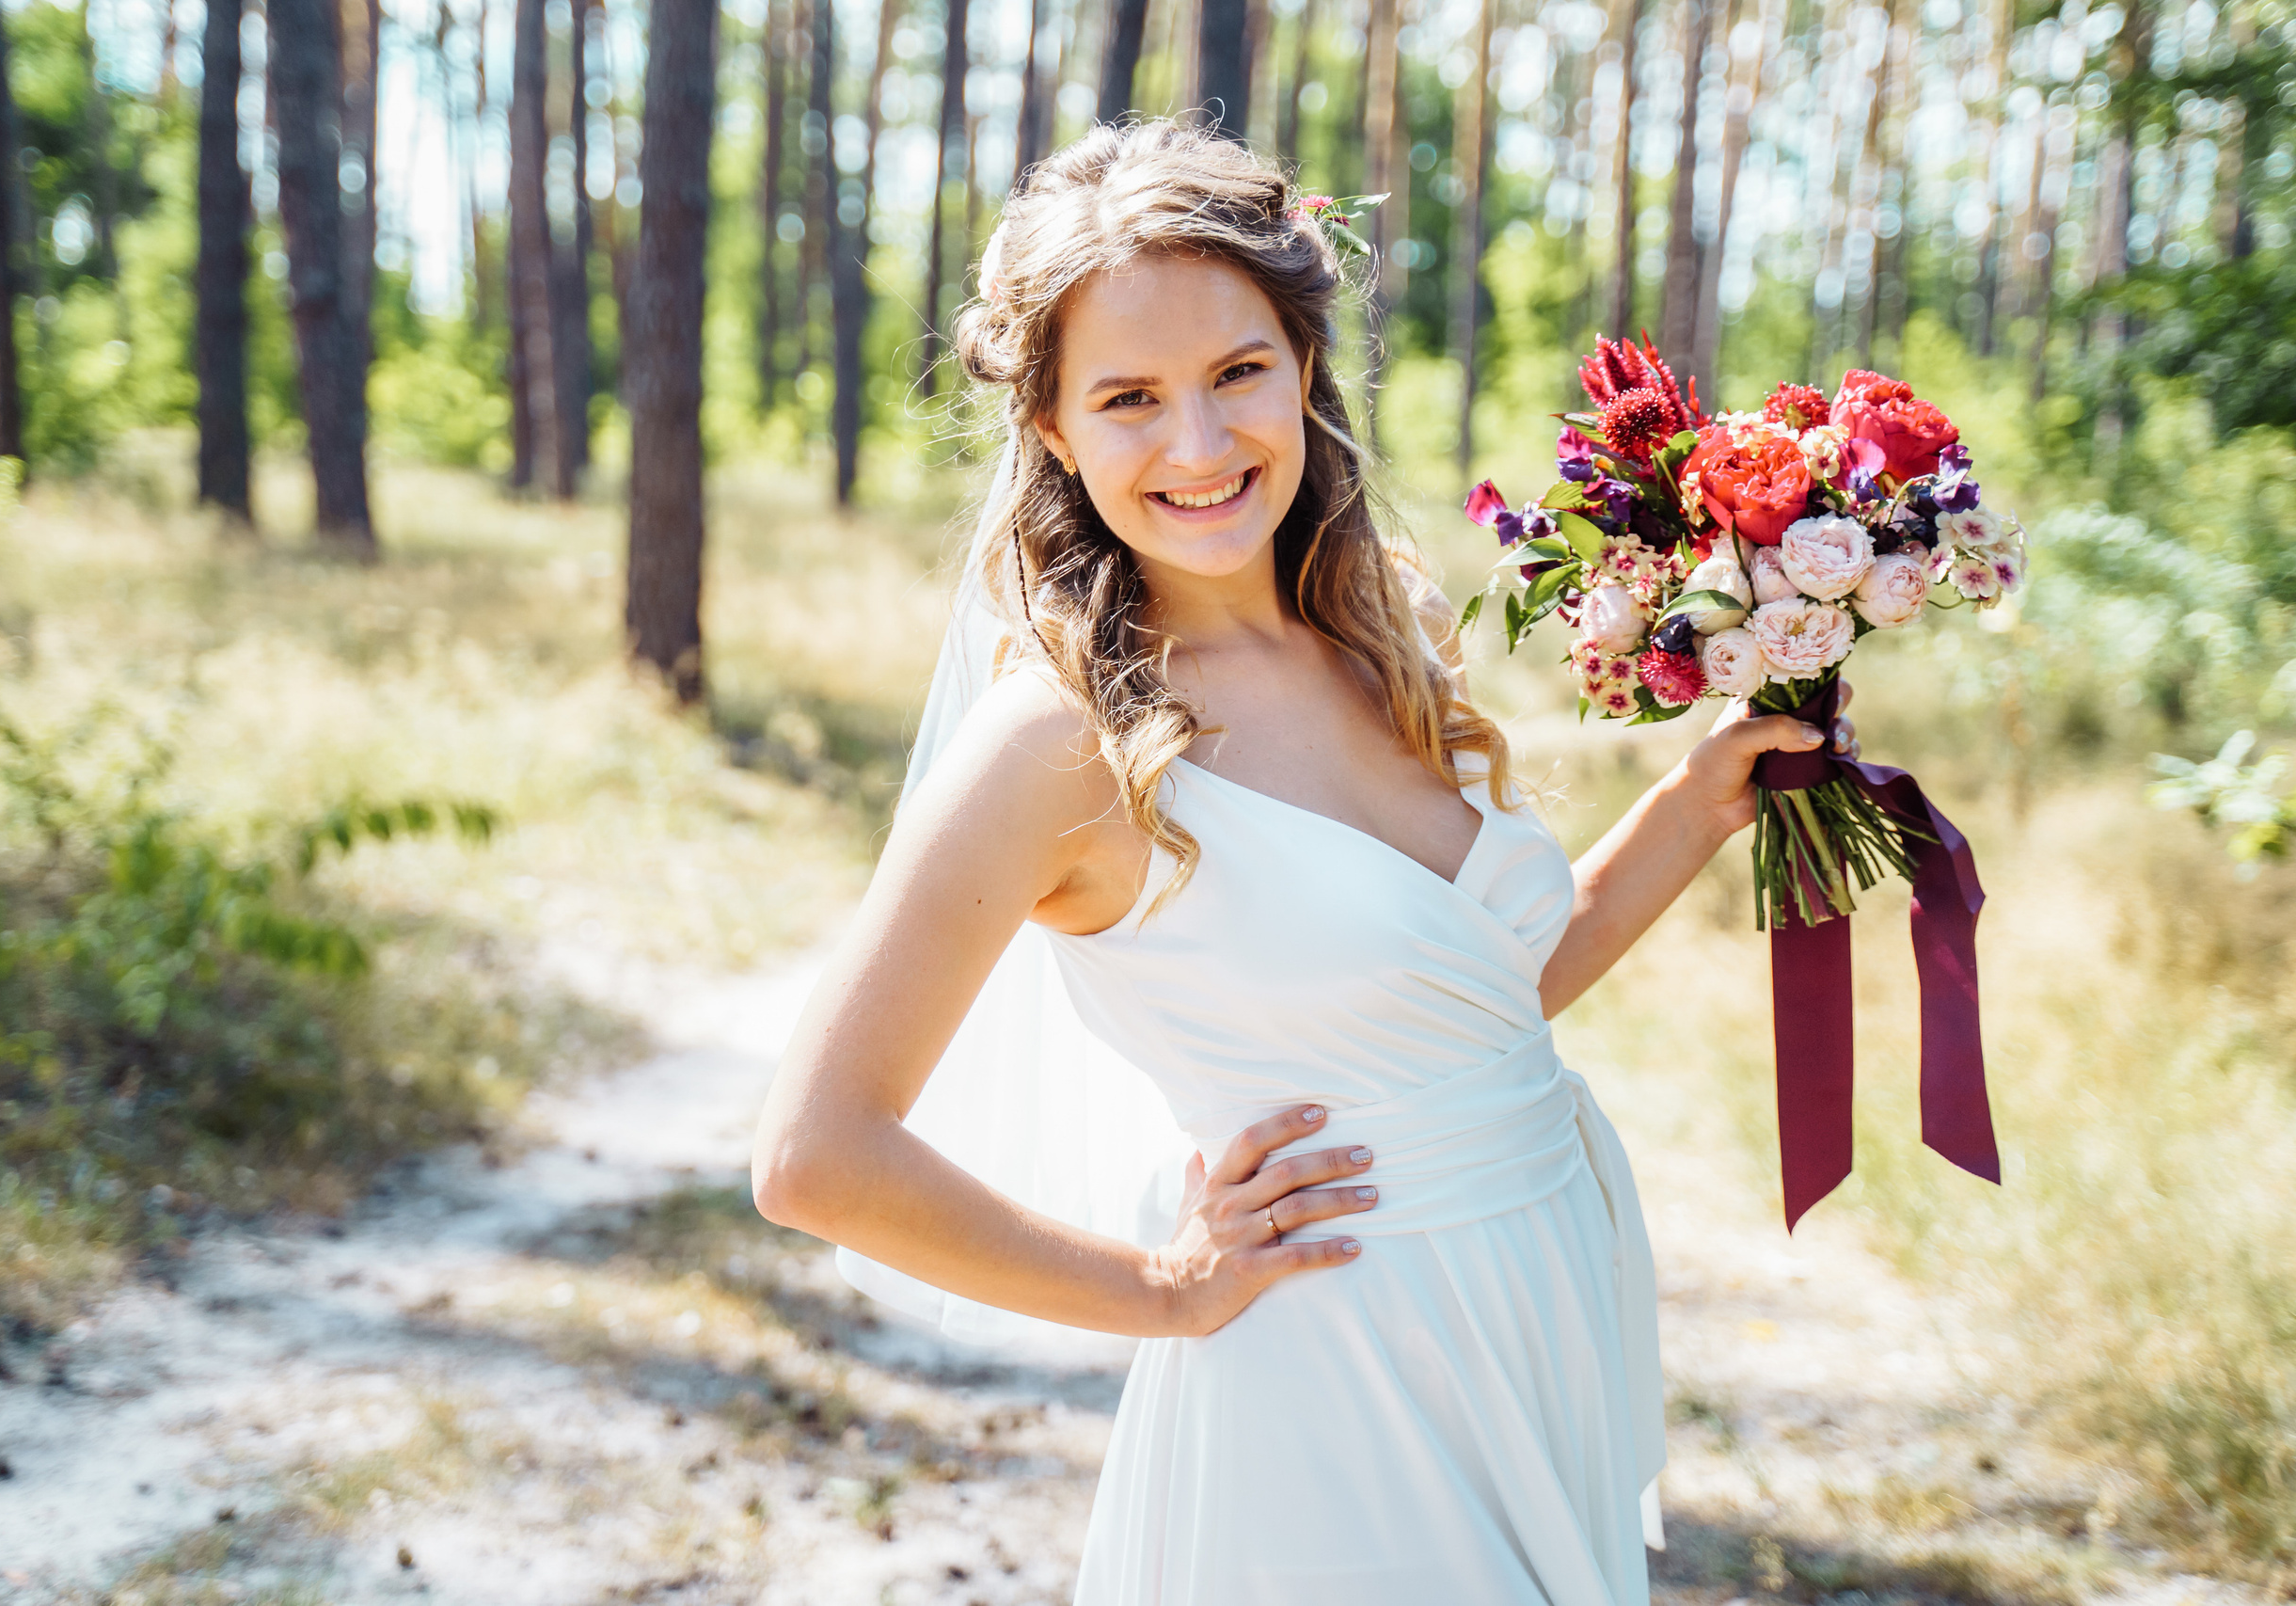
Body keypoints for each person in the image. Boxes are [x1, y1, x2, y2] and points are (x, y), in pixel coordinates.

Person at [752, 119, 1849, 1606]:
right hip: (1337, 1386)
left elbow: (1477, 1008)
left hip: (1534, 1316)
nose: (1200, 448)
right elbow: (817, 1156)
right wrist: (1160, 1289)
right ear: (1054, 430)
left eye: (1238, 373)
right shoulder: (1062, 743)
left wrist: (1698, 800)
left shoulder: (1379, 625)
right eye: (1129, 398)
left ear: (1305, 366)